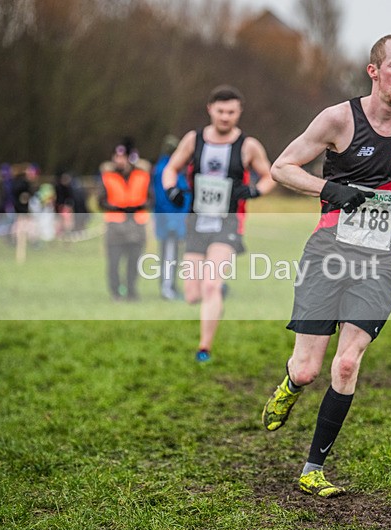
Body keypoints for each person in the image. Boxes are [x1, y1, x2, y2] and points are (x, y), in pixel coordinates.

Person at [261, 33, 391, 498]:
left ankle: (313, 468)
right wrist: (328, 190)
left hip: (379, 260)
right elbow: (282, 167)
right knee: (307, 370)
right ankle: (290, 386)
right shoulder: (338, 118)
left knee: (347, 364)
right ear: (374, 71)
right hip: (328, 254)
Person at [162, 85, 275, 362]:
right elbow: (170, 168)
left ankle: (204, 348)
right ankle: (214, 301)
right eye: (221, 111)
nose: (225, 117)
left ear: (239, 113)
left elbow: (270, 175)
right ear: (210, 109)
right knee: (192, 293)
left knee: (211, 285)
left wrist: (255, 190)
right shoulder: (194, 139)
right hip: (197, 221)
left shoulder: (248, 145)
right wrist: (171, 190)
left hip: (228, 223)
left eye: (231, 112)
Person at [98, 140, 152, 301]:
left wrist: (138, 206)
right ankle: (116, 292)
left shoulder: (142, 175)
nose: (119, 160)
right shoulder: (108, 177)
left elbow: (150, 198)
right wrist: (116, 207)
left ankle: (131, 291)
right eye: (116, 157)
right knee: (114, 262)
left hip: (137, 224)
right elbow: (101, 200)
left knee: (134, 262)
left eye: (122, 157)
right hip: (115, 225)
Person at [152, 134, 190, 300]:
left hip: (177, 222)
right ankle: (167, 289)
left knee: (174, 256)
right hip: (169, 223)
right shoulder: (164, 170)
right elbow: (164, 200)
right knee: (168, 256)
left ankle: (171, 286)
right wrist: (173, 224)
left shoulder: (175, 169)